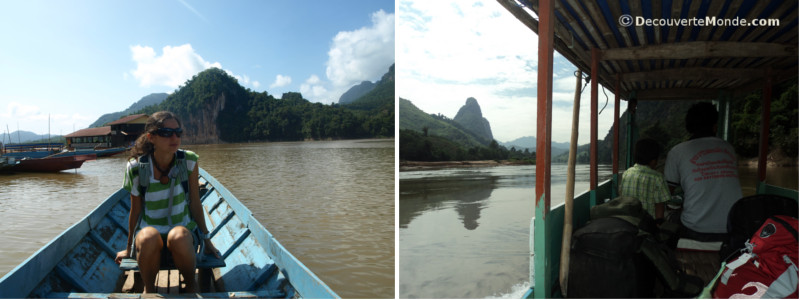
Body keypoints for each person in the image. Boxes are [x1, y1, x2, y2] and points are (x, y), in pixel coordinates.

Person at [114, 111, 219, 293]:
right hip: (149, 240)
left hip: (184, 238)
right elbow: (135, 210)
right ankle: (150, 291)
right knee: (147, 236)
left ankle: (190, 287)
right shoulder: (136, 168)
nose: (174, 137)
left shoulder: (188, 161)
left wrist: (207, 240)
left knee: (178, 235)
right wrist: (129, 247)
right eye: (166, 133)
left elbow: (195, 203)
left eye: (178, 132)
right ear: (151, 137)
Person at [664, 102, 742, 237]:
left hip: (696, 229)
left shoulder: (677, 151)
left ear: (688, 126)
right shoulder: (728, 148)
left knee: (669, 217)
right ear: (715, 125)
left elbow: (666, 194)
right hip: (734, 227)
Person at [618, 138, 671, 221]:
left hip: (628, 223)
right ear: (654, 161)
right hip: (647, 225)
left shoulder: (626, 173)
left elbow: (621, 195)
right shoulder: (658, 177)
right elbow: (659, 205)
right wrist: (659, 224)